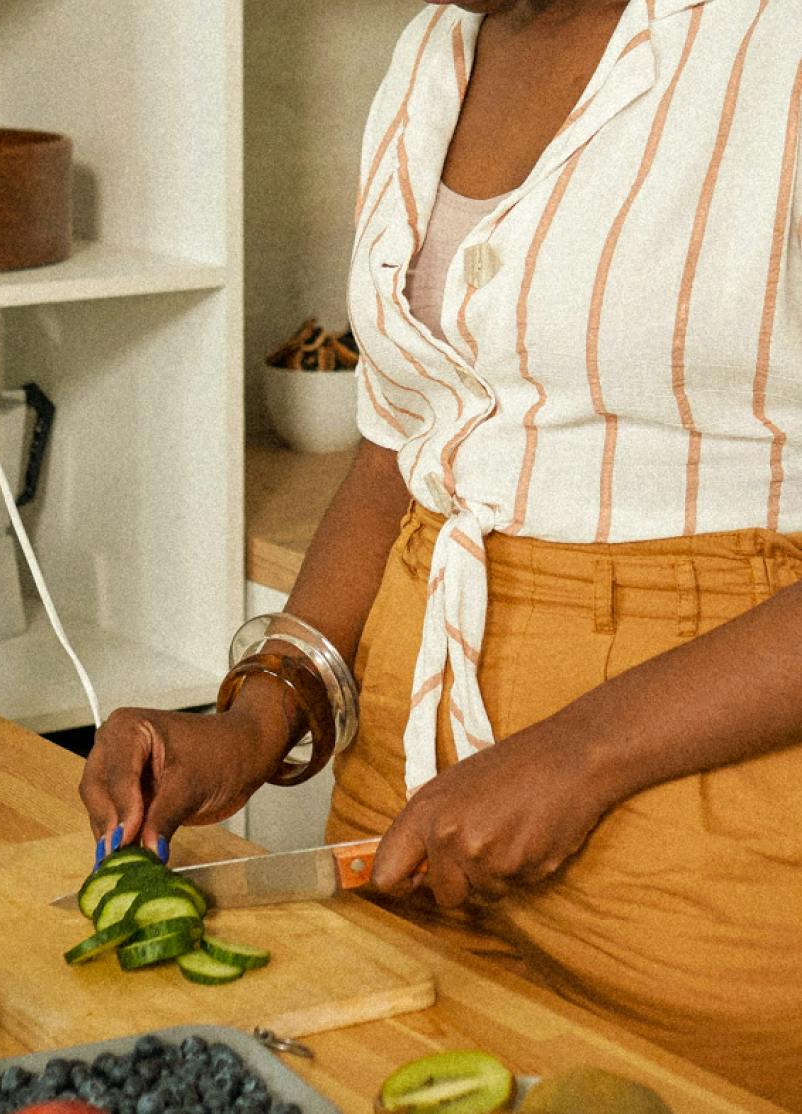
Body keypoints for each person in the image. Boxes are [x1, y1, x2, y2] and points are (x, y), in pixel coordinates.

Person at [81, 0, 802, 1105]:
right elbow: (399, 457)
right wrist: (254, 716)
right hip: (412, 816)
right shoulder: (432, 54)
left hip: (703, 851)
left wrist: (579, 755)